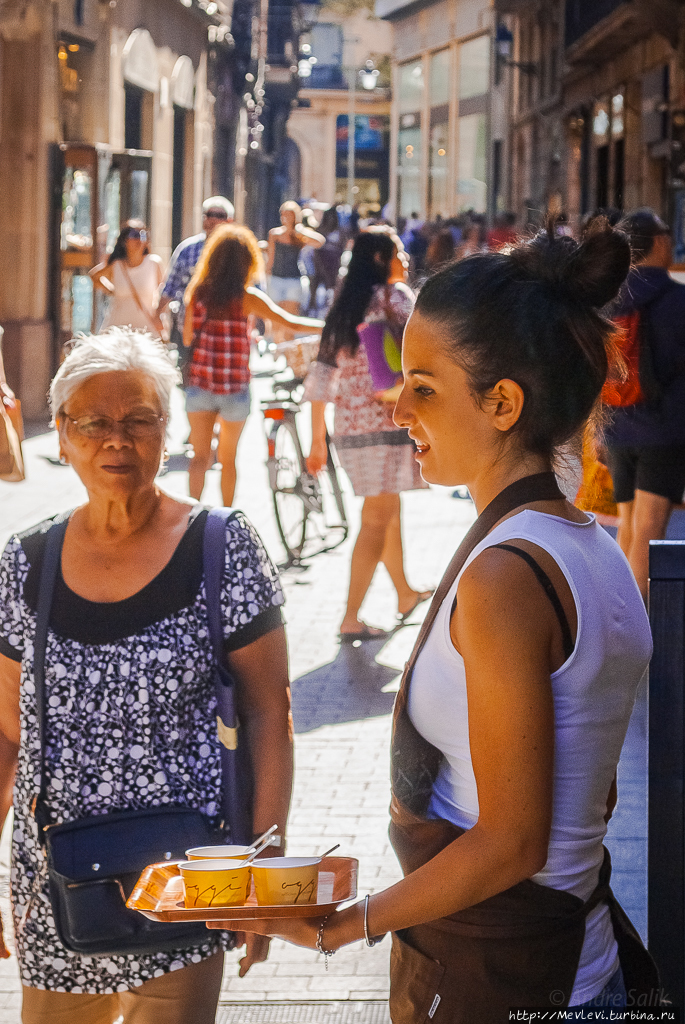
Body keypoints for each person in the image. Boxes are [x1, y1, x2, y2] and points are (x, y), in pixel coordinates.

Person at [213, 225, 656, 1017]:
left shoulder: (506, 577)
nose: (400, 403)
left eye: (423, 386)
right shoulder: (590, 551)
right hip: (569, 960)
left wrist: (343, 925)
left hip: (512, 977)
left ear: (501, 402)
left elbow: (513, 840)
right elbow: (586, 792)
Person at [0, 330, 293, 1023]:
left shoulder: (222, 545)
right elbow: (6, 732)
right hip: (55, 878)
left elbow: (267, 717)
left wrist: (263, 873)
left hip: (189, 877)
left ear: (168, 430)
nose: (117, 440)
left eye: (139, 419)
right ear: (63, 436)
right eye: (94, 423)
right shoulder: (24, 563)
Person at [304, 228, 430, 640]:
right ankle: (350, 617)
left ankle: (404, 592)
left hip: (349, 426)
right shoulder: (396, 299)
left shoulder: (345, 301)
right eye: (398, 252)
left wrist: (316, 437)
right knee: (377, 518)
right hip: (389, 420)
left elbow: (323, 371)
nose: (406, 259)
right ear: (381, 258)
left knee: (386, 509)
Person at [183, 223, 323, 506]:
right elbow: (291, 322)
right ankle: (224, 519)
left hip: (200, 385)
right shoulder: (248, 297)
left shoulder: (198, 293)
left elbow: (187, 337)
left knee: (199, 458)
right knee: (228, 459)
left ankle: (192, 518)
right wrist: (328, 326)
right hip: (234, 388)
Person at [603, 208, 685, 599]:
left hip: (618, 425)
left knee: (629, 524)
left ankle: (617, 612)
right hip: (664, 429)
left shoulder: (611, 300)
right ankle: (633, 623)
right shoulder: (677, 300)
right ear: (659, 241)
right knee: (650, 531)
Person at [156, 196, 235, 330]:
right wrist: (158, 314)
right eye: (210, 214)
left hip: (228, 327)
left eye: (220, 215)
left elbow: (254, 287)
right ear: (204, 219)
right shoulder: (187, 249)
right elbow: (170, 286)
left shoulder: (238, 250)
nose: (214, 220)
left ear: (230, 220)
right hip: (190, 326)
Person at [90, 221, 164, 337]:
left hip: (146, 331)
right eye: (134, 235)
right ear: (124, 241)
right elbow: (94, 276)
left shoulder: (154, 263)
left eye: (143, 235)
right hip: (116, 330)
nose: (139, 239)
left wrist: (159, 315)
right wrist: (111, 290)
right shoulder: (117, 264)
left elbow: (164, 291)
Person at [266, 201, 325, 315]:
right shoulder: (274, 234)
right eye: (283, 214)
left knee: (290, 315)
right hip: (276, 279)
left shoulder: (299, 236)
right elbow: (271, 257)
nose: (285, 217)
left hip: (293, 279)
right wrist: (267, 274)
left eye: (289, 214)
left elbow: (320, 241)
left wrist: (299, 231)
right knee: (275, 316)